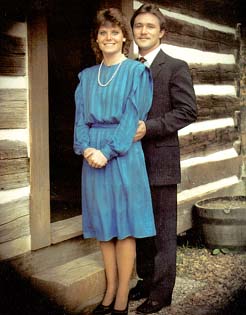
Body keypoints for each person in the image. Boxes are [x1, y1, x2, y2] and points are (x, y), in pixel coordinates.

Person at [73, 8, 156, 315]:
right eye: (102, 33)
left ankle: (122, 295)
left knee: (124, 227)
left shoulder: (137, 72)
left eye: (114, 32)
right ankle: (108, 289)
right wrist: (86, 150)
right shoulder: (85, 77)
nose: (108, 37)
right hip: (92, 157)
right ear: (97, 39)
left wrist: (106, 152)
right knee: (103, 225)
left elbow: (132, 119)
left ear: (124, 37)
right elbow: (80, 119)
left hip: (121, 155)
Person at [129, 3, 197, 314]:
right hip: (130, 162)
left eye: (150, 26)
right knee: (140, 227)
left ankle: (161, 292)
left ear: (162, 33)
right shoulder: (127, 67)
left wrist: (150, 127)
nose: (143, 31)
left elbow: (187, 111)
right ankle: (145, 280)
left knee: (162, 229)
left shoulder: (175, 66)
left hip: (160, 161)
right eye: (139, 25)